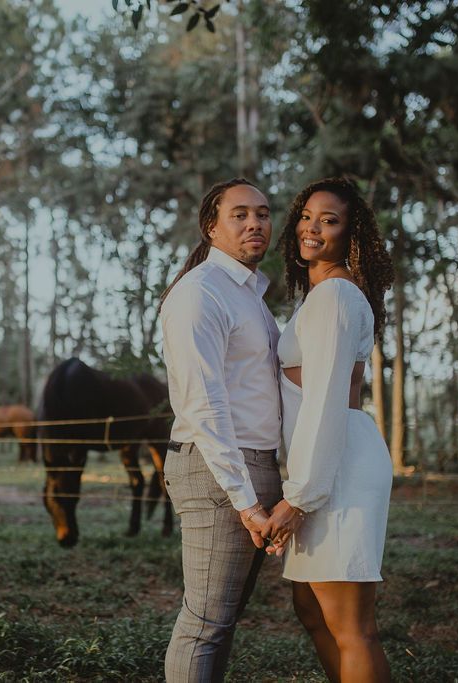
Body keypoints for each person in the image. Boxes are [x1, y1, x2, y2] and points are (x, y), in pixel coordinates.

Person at [264, 177, 395, 683]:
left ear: (350, 235)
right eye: (306, 216)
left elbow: (324, 403)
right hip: (323, 466)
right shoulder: (319, 297)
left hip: (337, 468)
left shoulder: (337, 295)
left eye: (329, 220)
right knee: (312, 609)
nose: (312, 228)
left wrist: (299, 498)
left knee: (352, 627)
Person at [159, 178, 283, 682]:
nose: (255, 223)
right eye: (240, 214)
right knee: (205, 624)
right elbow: (204, 405)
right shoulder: (200, 293)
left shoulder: (250, 296)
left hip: (255, 464)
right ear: (211, 227)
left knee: (221, 622)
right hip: (219, 470)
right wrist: (246, 501)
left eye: (263, 213)